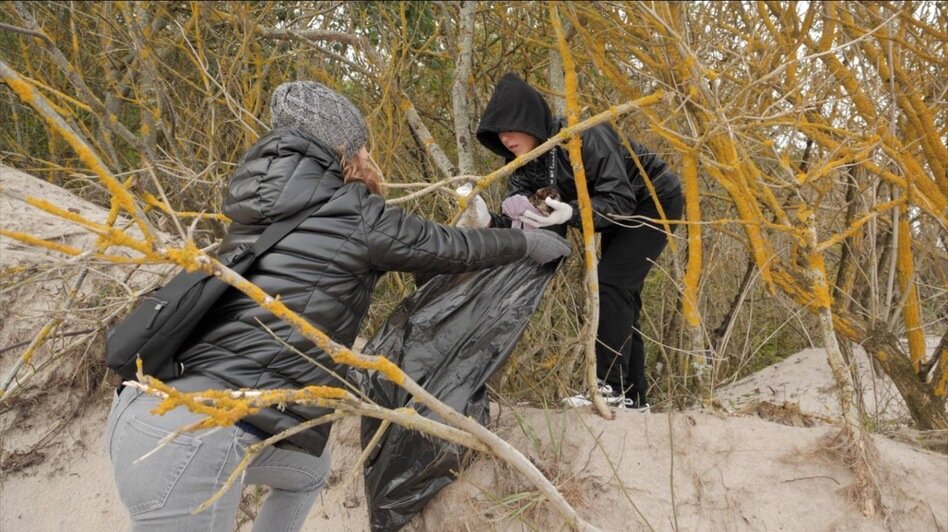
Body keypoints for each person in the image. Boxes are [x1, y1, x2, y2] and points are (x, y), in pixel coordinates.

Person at [104, 80, 570, 531]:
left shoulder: (260, 207)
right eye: (361, 147)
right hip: (194, 436)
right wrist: (522, 244)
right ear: (341, 149)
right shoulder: (349, 211)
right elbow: (444, 246)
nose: (368, 157)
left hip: (141, 414)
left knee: (309, 469)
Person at [476, 72, 683, 410]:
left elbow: (620, 199)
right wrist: (488, 221)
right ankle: (633, 398)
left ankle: (610, 389)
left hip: (653, 199)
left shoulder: (585, 136)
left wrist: (570, 212)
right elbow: (527, 227)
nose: (505, 138)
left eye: (511, 127)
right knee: (621, 293)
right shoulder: (524, 168)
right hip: (611, 213)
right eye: (498, 132)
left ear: (529, 122)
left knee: (611, 283)